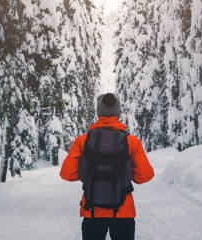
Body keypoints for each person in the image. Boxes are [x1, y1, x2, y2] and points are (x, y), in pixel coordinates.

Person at [60, 93, 154, 240]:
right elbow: (145, 176)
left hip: (92, 211)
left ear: (98, 112)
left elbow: (66, 174)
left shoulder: (83, 141)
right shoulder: (131, 142)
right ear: (118, 112)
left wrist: (90, 171)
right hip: (123, 212)